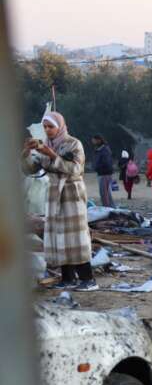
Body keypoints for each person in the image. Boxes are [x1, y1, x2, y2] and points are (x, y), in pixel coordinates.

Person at [23, 112, 98, 291]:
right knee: (59, 236)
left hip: (72, 194)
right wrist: (25, 153)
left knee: (76, 237)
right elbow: (31, 169)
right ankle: (68, 278)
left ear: (60, 126)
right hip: (54, 194)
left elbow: (75, 169)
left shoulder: (73, 144)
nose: (47, 130)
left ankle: (88, 279)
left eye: (51, 126)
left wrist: (51, 154)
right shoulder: (46, 145)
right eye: (45, 127)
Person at [90, 134, 114, 207]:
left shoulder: (104, 150)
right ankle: (109, 207)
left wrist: (97, 167)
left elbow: (106, 162)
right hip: (102, 173)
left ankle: (108, 208)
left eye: (94, 140)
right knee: (106, 192)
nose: (92, 141)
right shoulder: (99, 150)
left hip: (104, 174)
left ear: (99, 140)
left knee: (104, 193)